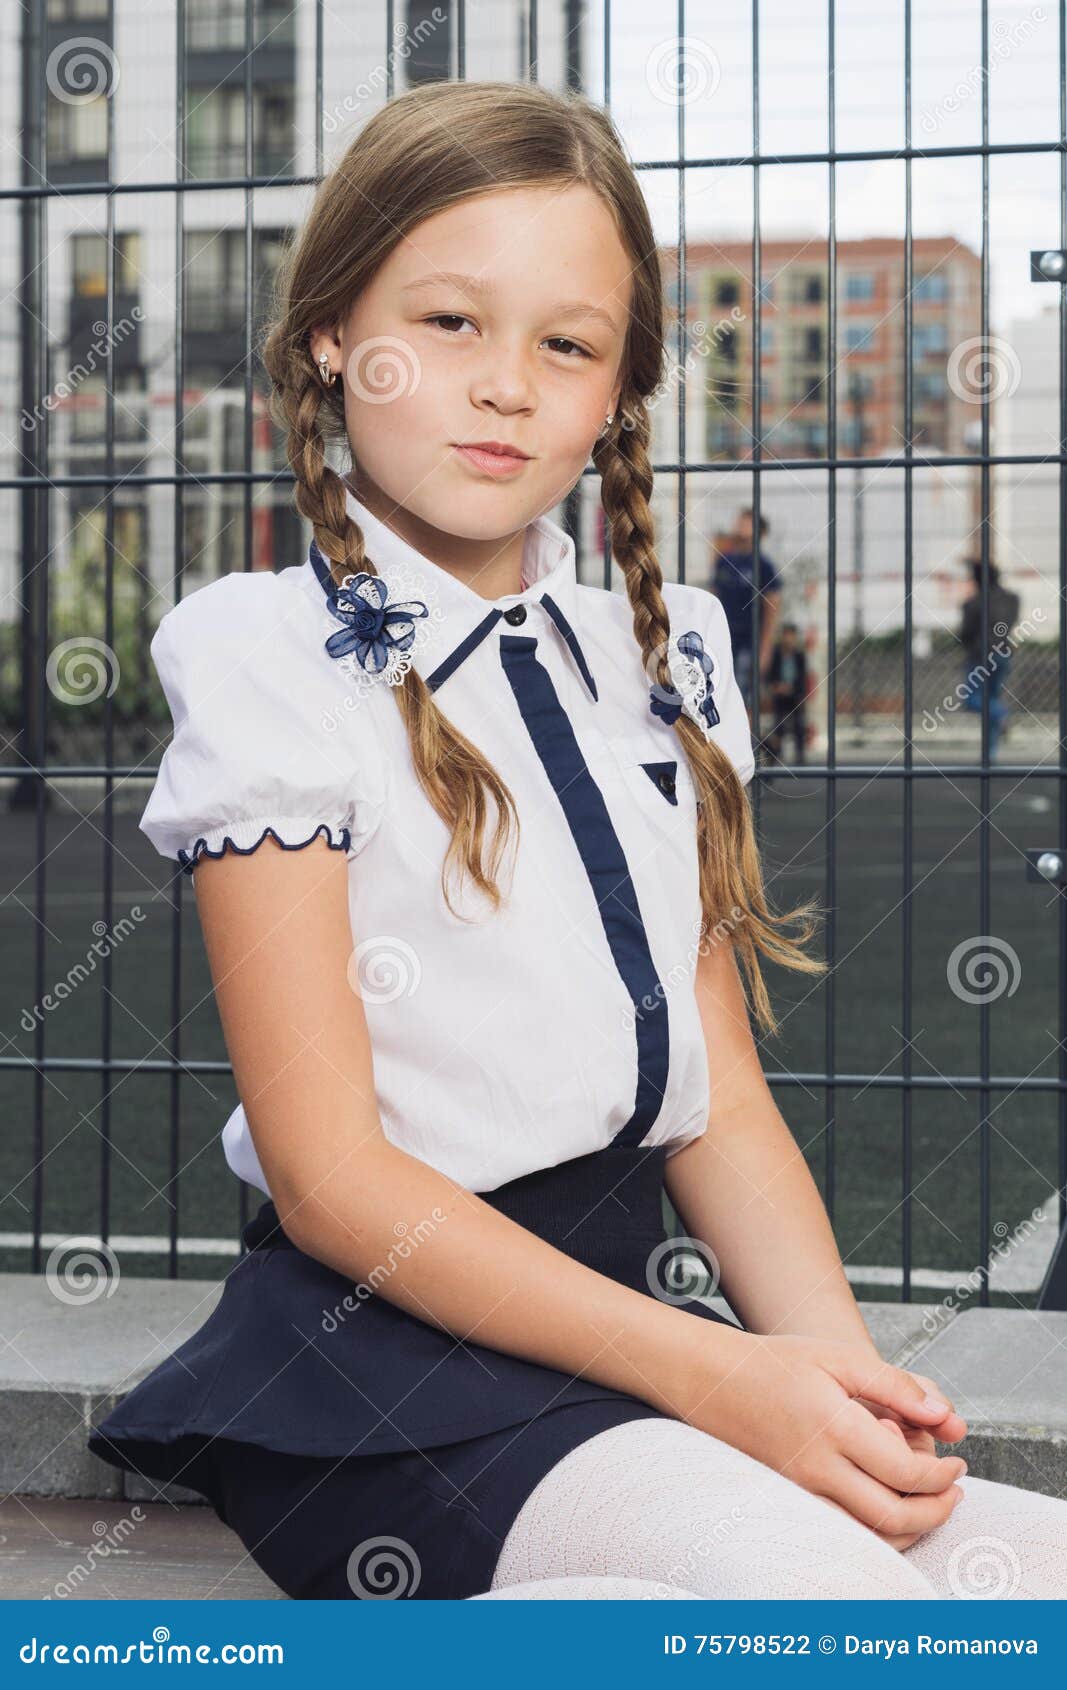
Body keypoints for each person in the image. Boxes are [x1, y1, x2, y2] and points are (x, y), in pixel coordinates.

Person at [87, 80, 1067, 1602]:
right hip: (391, 1387)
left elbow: (719, 1104)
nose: (504, 386)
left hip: (628, 1335)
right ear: (333, 333)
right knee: (837, 1607)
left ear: (617, 391)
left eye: (565, 343)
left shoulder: (667, 658)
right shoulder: (267, 654)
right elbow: (332, 1174)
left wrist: (827, 1378)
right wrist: (719, 1378)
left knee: (1015, 1577)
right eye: (452, 324)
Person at [710, 506, 782, 714]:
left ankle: (743, 743)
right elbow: (714, 596)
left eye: (747, 522)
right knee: (717, 691)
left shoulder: (764, 565)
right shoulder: (724, 561)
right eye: (740, 521)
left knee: (742, 696)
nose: (740, 525)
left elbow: (772, 608)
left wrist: (765, 648)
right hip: (724, 638)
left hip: (749, 642)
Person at [958, 557, 1020, 761]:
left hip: (979, 656)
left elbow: (965, 634)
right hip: (1002, 653)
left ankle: (1001, 715)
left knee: (972, 698)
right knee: (990, 700)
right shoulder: (1012, 599)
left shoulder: (973, 603)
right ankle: (990, 754)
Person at [764, 622, 809, 767]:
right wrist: (776, 686)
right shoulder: (776, 655)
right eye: (786, 636)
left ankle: (800, 755)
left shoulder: (799, 655)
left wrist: (793, 689)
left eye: (791, 636)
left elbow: (802, 677)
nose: (788, 639)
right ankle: (777, 754)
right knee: (779, 725)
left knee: (799, 724)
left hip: (795, 696)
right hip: (780, 696)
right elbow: (769, 675)